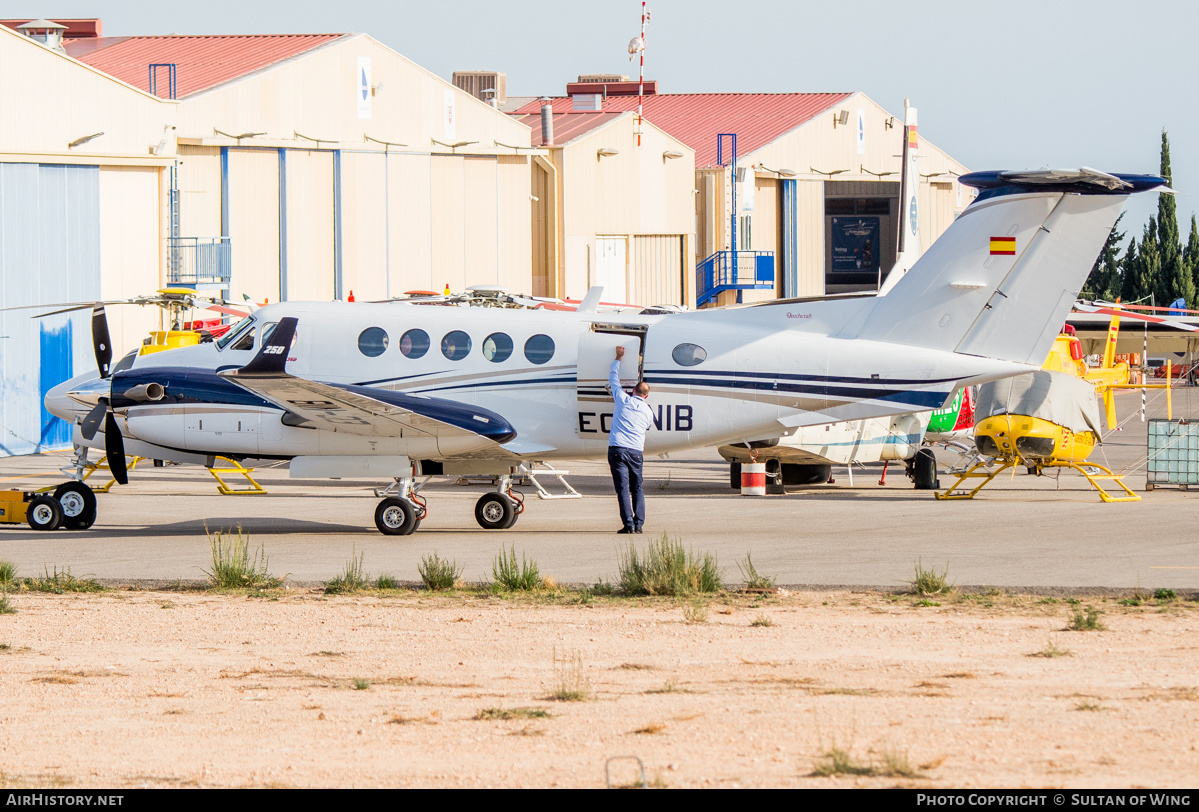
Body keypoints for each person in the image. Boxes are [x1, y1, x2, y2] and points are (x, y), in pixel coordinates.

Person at [607, 345, 653, 534]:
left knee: (623, 489)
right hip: (635, 451)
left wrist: (618, 358)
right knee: (637, 488)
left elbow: (613, 379)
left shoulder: (622, 399)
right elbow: (648, 427)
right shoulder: (648, 411)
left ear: (632, 390)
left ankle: (628, 524)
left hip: (618, 448)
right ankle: (639, 524)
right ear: (646, 396)